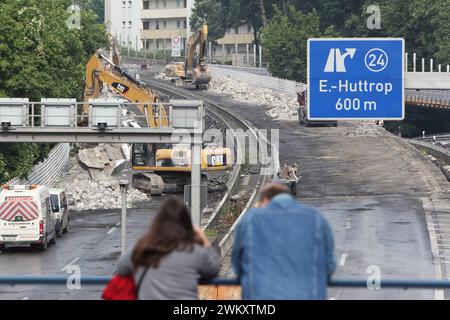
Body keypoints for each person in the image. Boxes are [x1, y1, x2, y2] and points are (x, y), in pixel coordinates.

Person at [232, 183, 336, 300]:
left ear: (265, 200)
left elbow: (237, 264)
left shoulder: (251, 220)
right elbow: (329, 265)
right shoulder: (317, 219)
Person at [115, 197, 219, 300]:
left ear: (157, 223)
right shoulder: (193, 249)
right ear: (187, 224)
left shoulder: (143, 247)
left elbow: (121, 268)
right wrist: (204, 241)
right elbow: (213, 269)